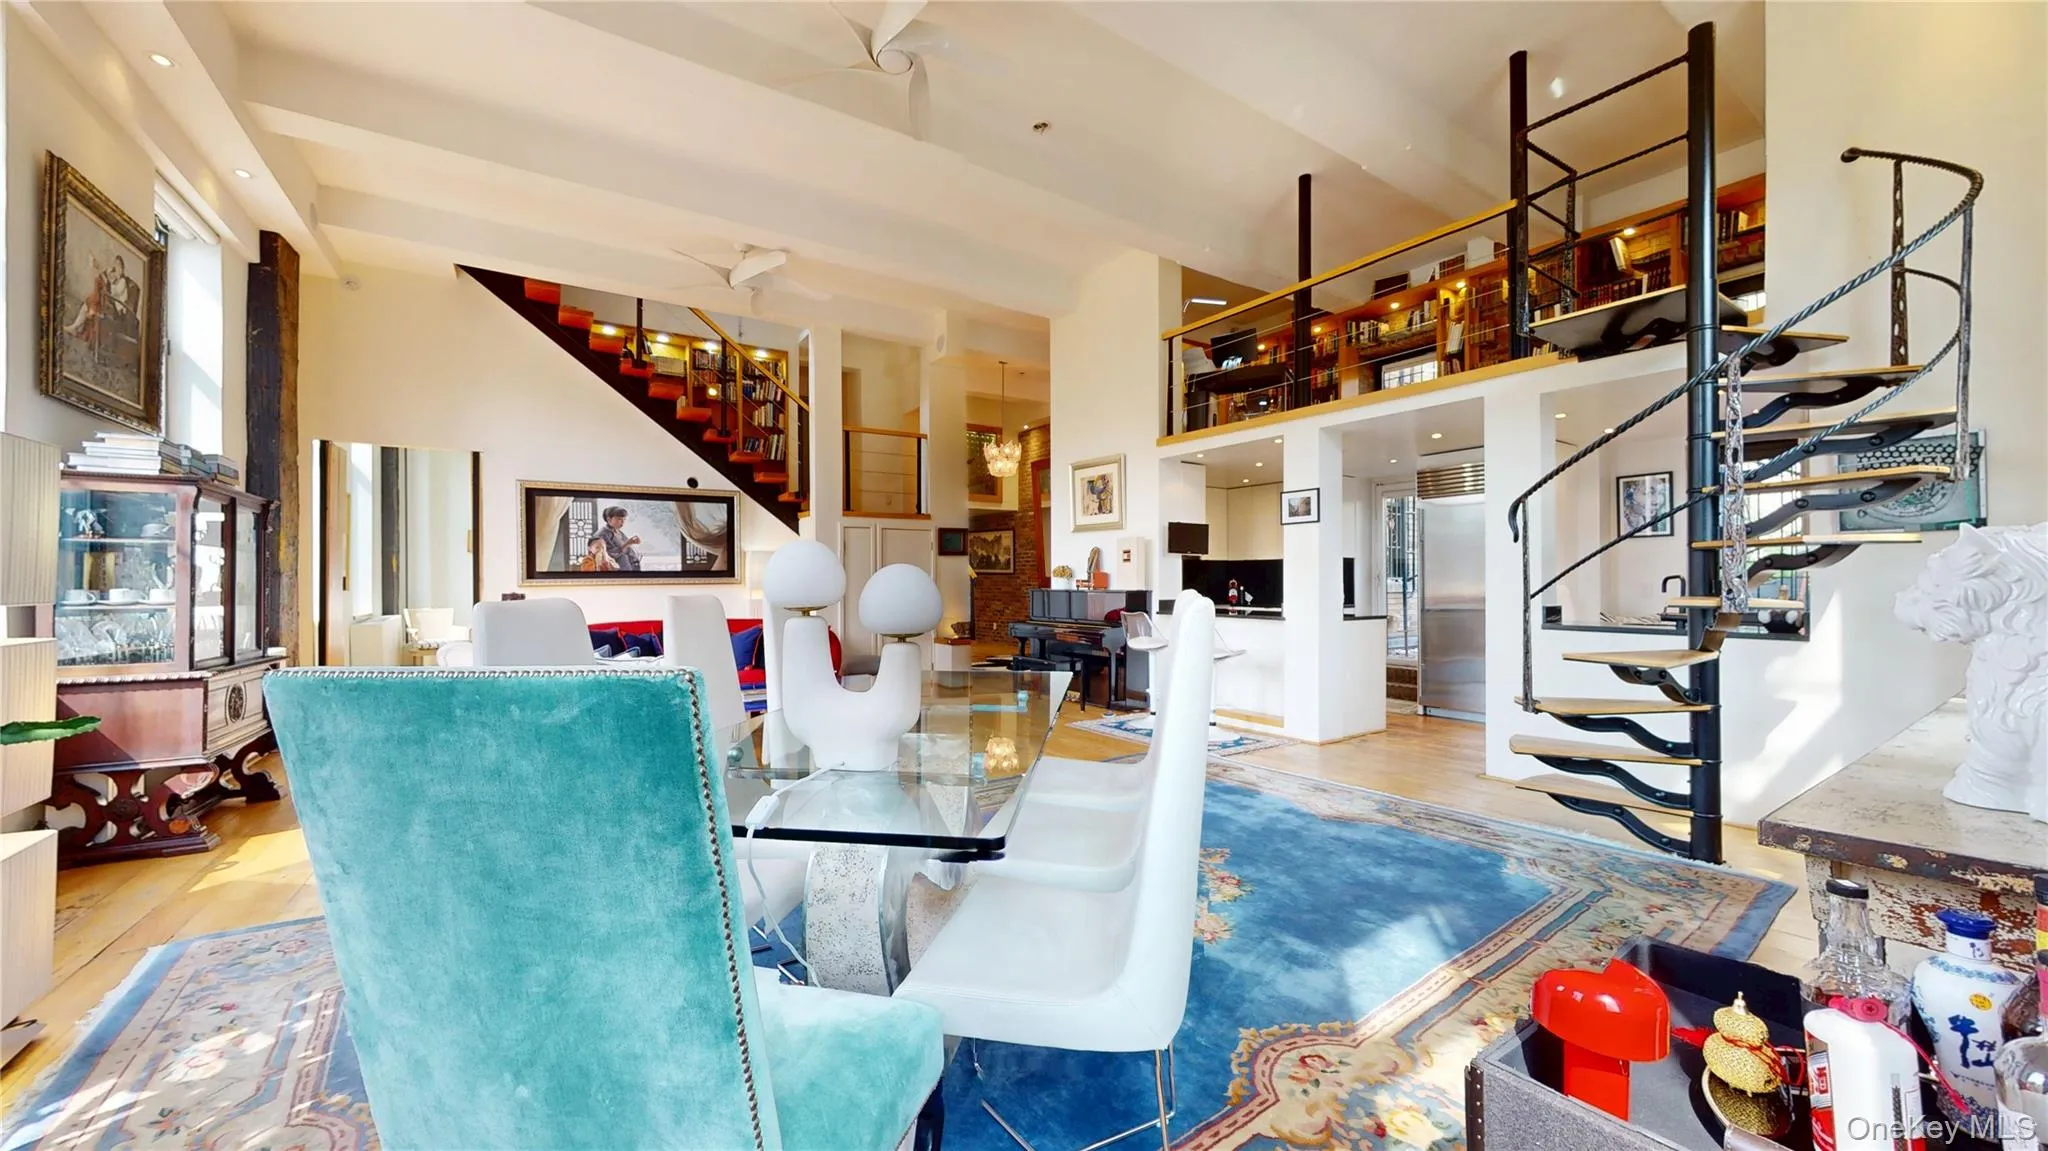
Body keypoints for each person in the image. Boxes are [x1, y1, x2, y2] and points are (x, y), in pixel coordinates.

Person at [595, 506, 642, 572]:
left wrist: (632, 543)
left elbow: (627, 547)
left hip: (631, 564)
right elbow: (609, 554)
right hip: (618, 567)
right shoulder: (602, 534)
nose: (622, 522)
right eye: (619, 519)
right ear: (609, 519)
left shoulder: (617, 531)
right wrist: (628, 543)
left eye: (624, 519)